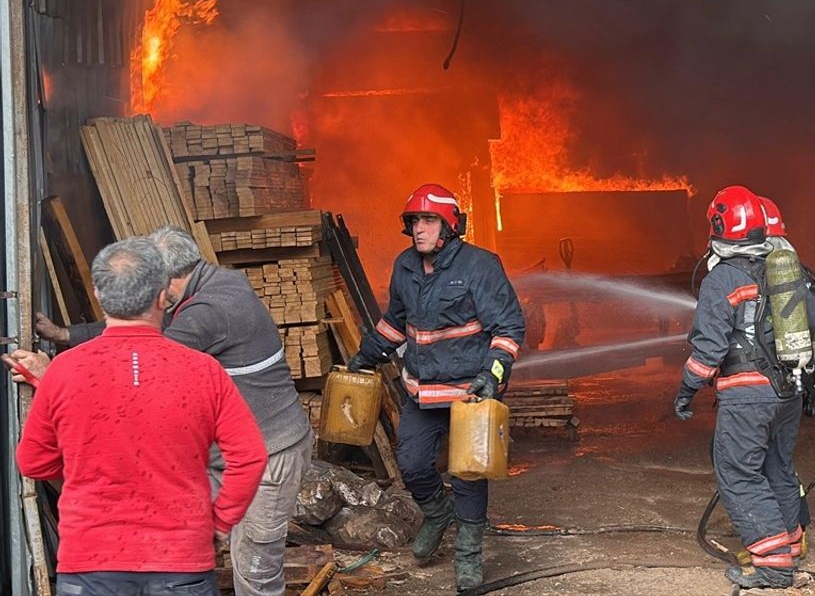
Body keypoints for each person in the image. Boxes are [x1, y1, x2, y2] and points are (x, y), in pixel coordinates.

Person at [11, 226, 314, 596]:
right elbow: (133, 332)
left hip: (272, 453)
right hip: (233, 461)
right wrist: (67, 337)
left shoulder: (209, 311)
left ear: (166, 284)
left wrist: (52, 376)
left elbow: (138, 356)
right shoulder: (211, 286)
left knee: (254, 569)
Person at [346, 183, 524, 591]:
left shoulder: (480, 266)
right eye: (414, 221)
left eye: (428, 220)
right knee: (411, 464)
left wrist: (492, 375)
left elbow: (509, 327)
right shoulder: (405, 266)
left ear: (449, 226)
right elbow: (395, 322)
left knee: (468, 475)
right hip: (421, 392)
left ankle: (468, 555)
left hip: (469, 393)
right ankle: (438, 513)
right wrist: (366, 355)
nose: (418, 229)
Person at [674, 185, 815, 590]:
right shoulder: (783, 269)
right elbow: (814, 320)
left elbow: (709, 348)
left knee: (739, 474)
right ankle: (789, 546)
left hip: (747, 396)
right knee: (776, 468)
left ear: (718, 226)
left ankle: (773, 565)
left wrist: (688, 389)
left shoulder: (722, 279)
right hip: (787, 392)